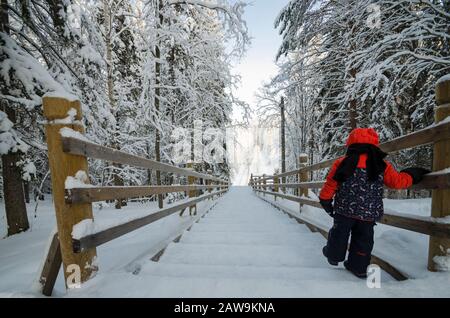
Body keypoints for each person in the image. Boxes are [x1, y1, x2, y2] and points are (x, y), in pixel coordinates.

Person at [318, 128, 429, 278]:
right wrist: (412, 175)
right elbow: (397, 182)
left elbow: (331, 183)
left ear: (350, 143)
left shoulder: (342, 162)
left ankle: (333, 255)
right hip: (368, 212)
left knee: (339, 233)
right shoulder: (381, 165)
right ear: (375, 144)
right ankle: (359, 267)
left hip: (344, 210)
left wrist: (325, 199)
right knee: (363, 239)